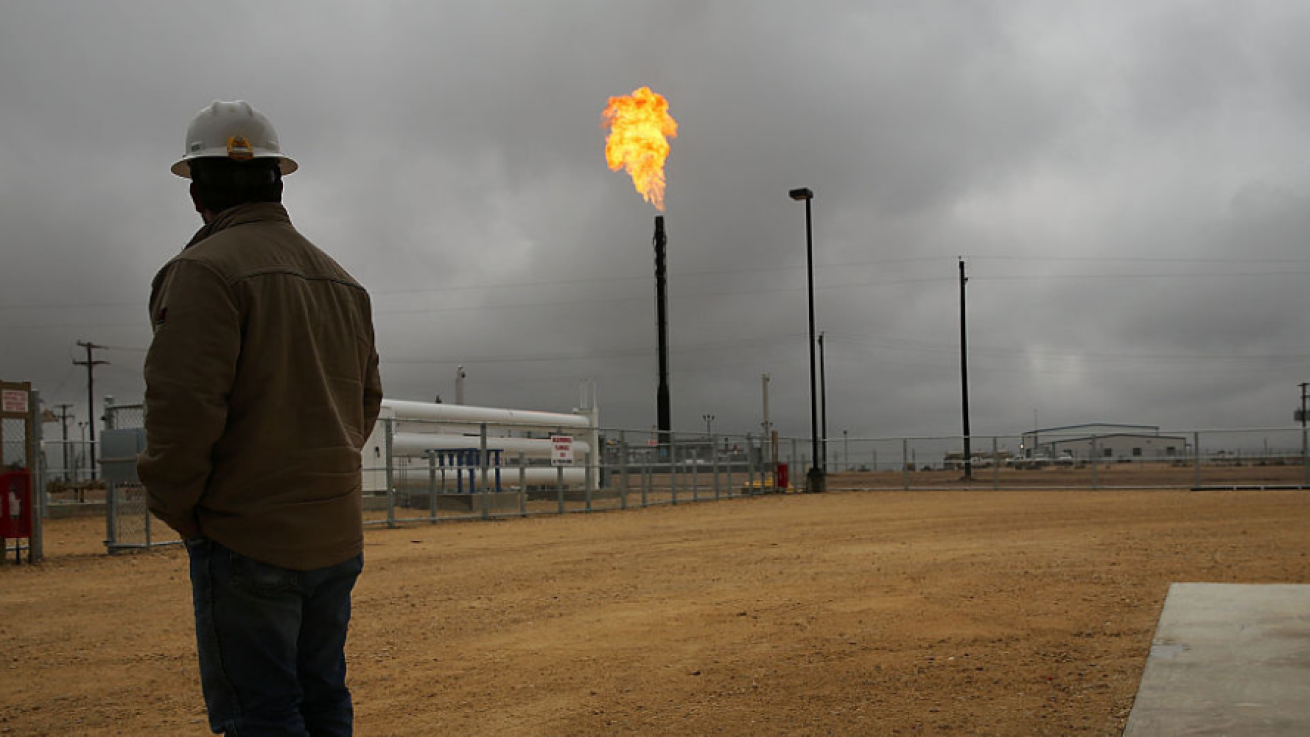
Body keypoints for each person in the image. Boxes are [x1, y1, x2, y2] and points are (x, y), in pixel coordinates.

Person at [138, 100, 383, 737]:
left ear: (197, 190)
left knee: (263, 716)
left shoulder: (203, 272)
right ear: (277, 178)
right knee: (323, 699)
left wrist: (184, 508)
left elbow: (182, 413)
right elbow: (365, 403)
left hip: (247, 537)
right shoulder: (343, 282)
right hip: (333, 537)